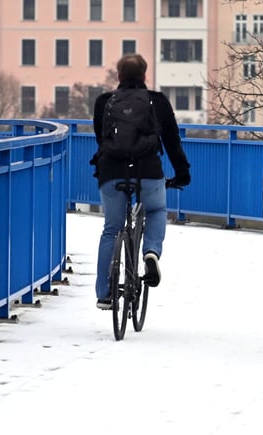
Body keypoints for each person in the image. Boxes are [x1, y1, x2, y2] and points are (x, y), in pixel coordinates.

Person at [91, 53, 191, 310]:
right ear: (145, 75)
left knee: (111, 230)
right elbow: (172, 142)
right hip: (148, 170)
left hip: (112, 172)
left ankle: (104, 293)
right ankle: (151, 251)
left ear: (119, 76)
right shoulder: (157, 102)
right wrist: (182, 172)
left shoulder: (104, 102)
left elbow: (101, 140)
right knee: (156, 209)